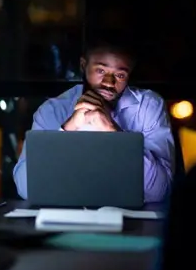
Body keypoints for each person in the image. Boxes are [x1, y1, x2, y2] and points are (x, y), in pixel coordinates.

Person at [13, 35, 175, 203]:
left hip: (129, 218)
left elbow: (160, 192)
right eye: (101, 71)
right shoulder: (53, 110)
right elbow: (26, 189)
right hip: (64, 216)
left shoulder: (148, 106)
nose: (109, 83)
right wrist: (68, 129)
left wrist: (114, 134)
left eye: (119, 75)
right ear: (84, 66)